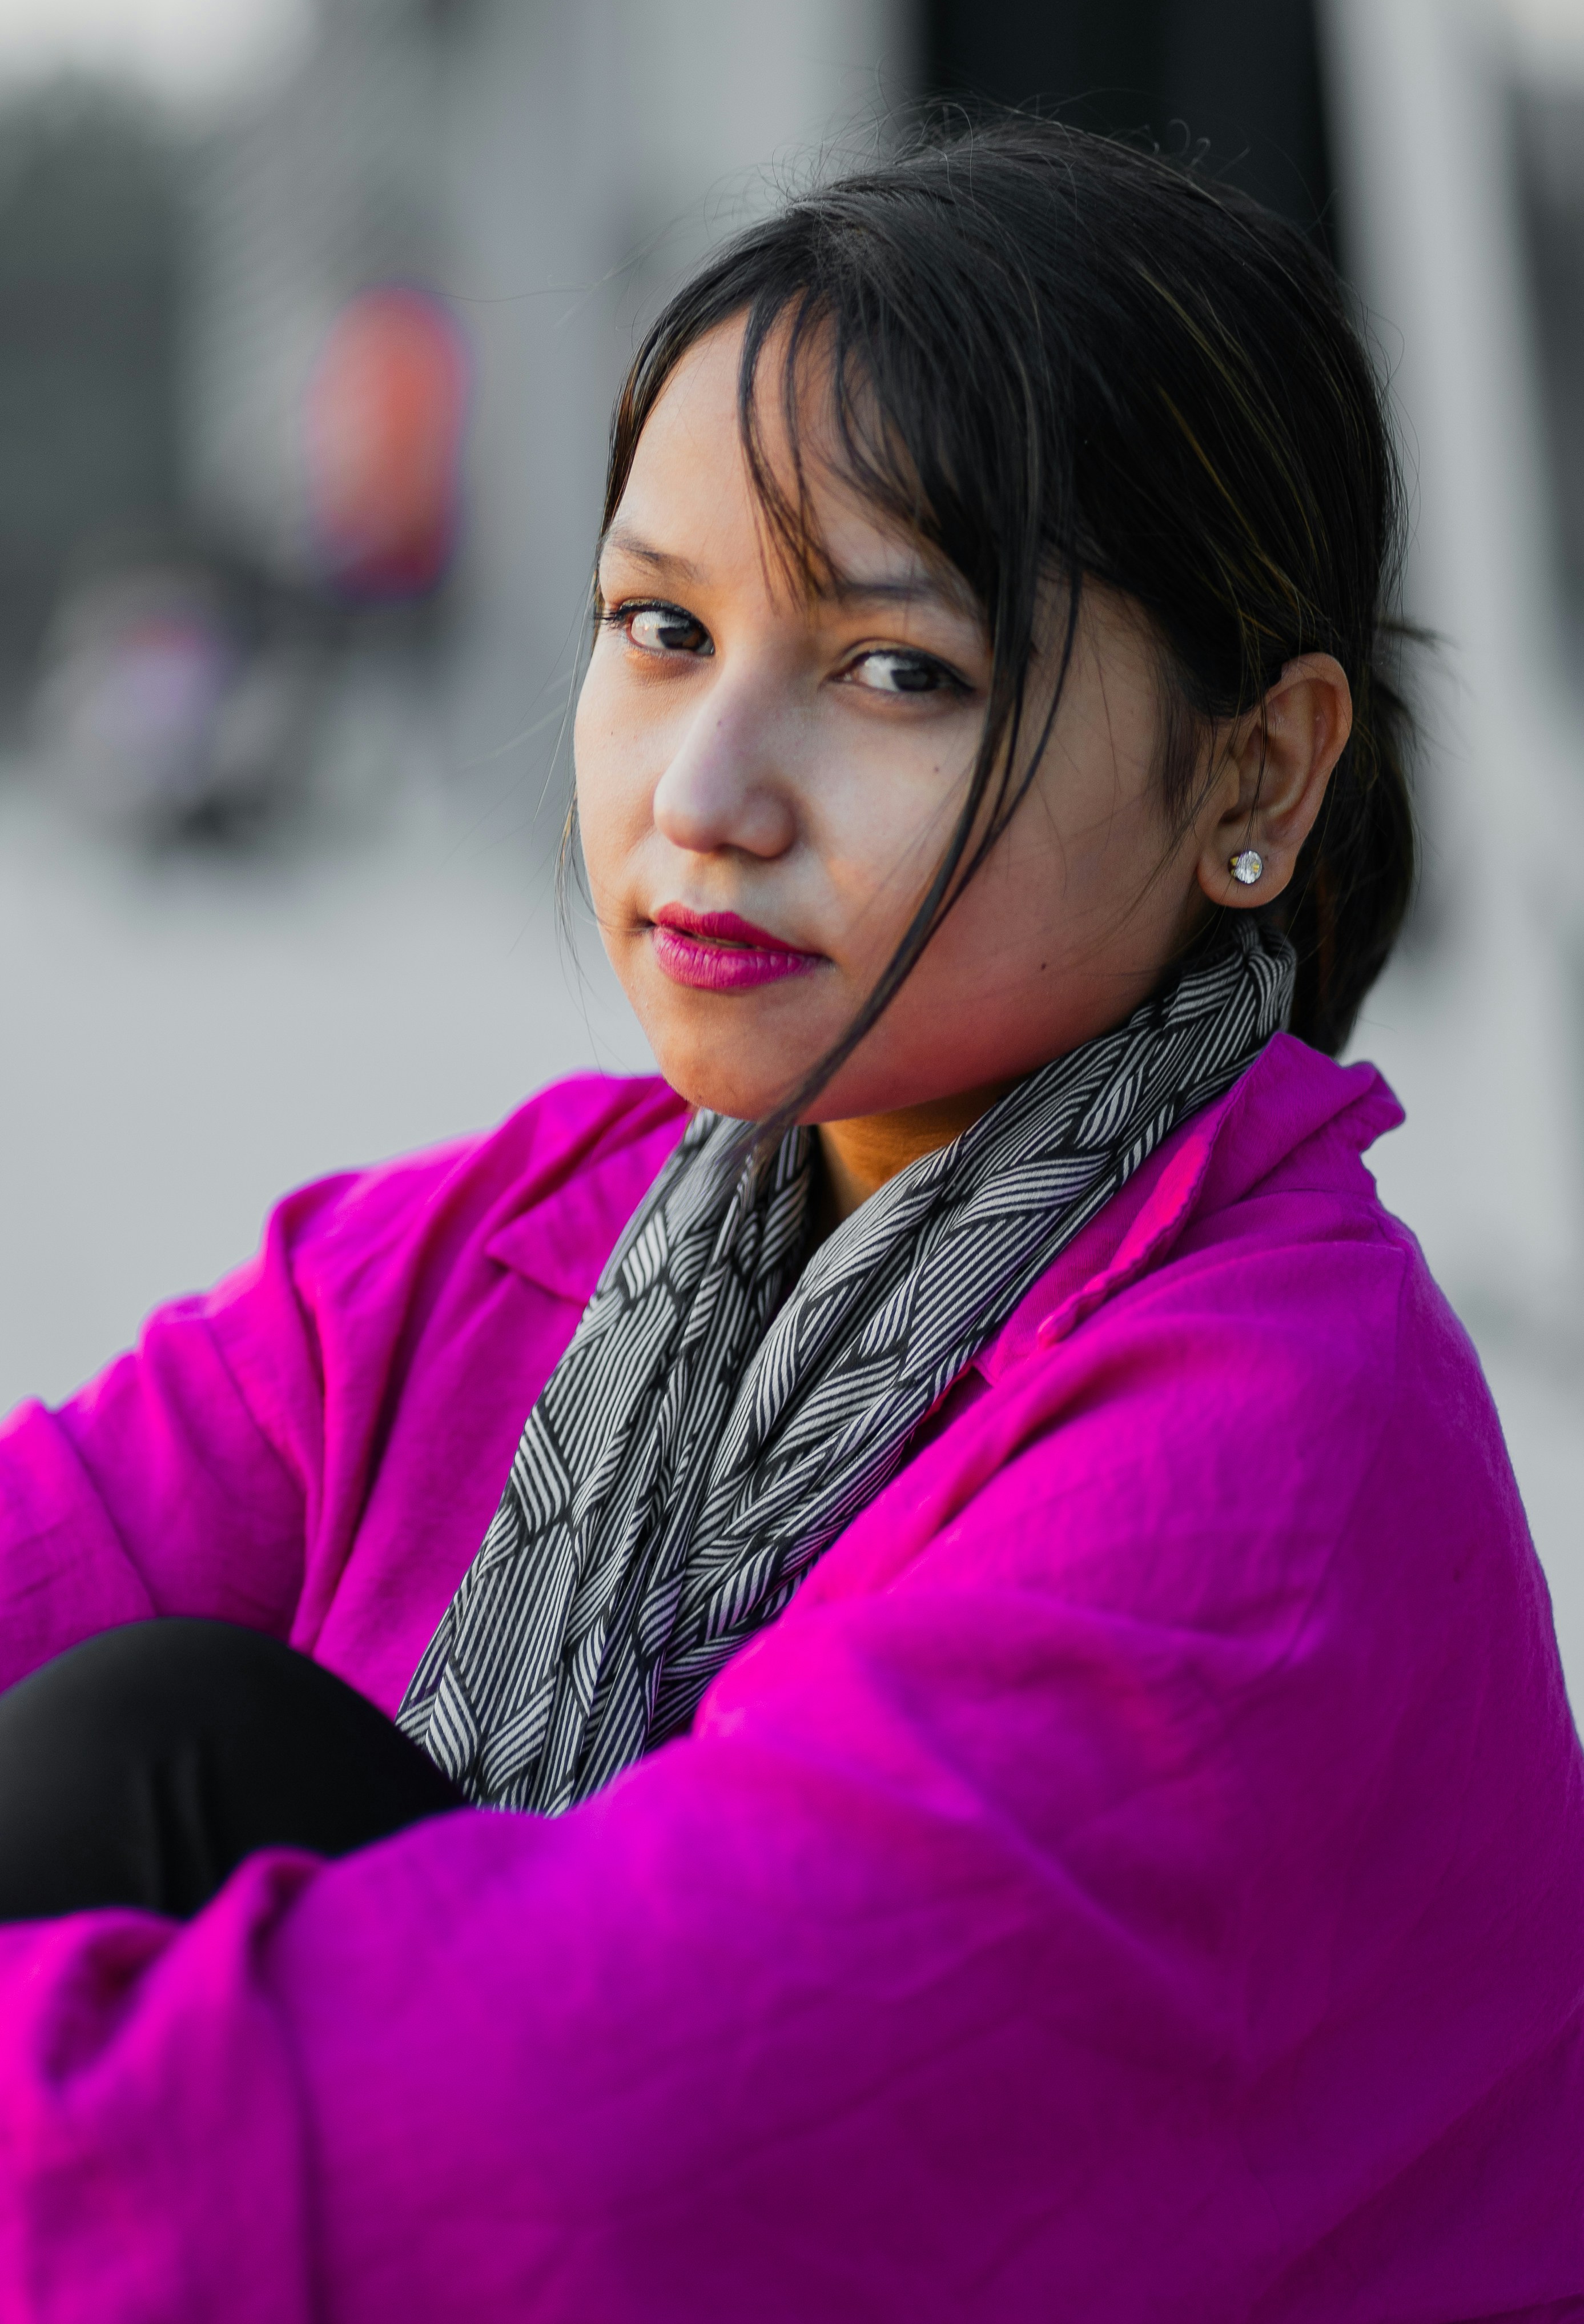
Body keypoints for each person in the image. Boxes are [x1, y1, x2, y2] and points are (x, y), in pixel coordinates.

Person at [0, 116, 1578, 2319]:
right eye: (659, 627)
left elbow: (563, 2151)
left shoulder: (1270, 1472)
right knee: (138, 1739)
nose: (704, 793)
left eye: (892, 671)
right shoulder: (539, 1228)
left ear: (1254, 779)